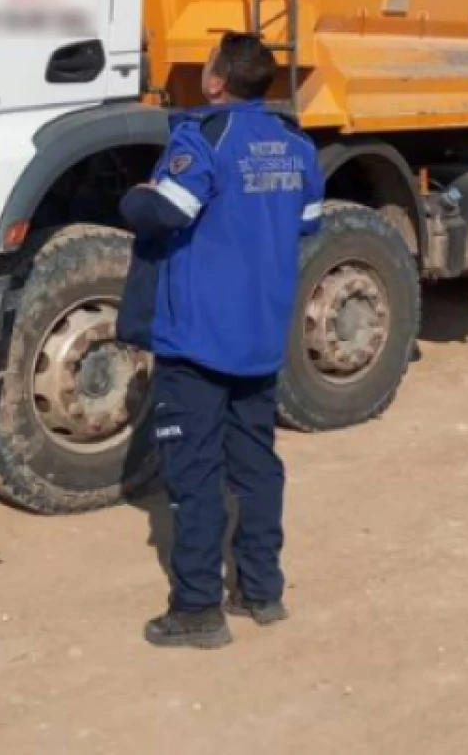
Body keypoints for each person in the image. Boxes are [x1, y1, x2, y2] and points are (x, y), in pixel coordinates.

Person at [116, 33, 324, 650]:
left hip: (198, 339)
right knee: (256, 466)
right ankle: (261, 591)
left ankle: (197, 608)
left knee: (195, 474)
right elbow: (308, 222)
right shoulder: (295, 144)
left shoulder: (203, 138)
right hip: (259, 336)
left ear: (217, 81)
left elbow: (169, 211)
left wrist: (133, 197)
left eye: (208, 65)